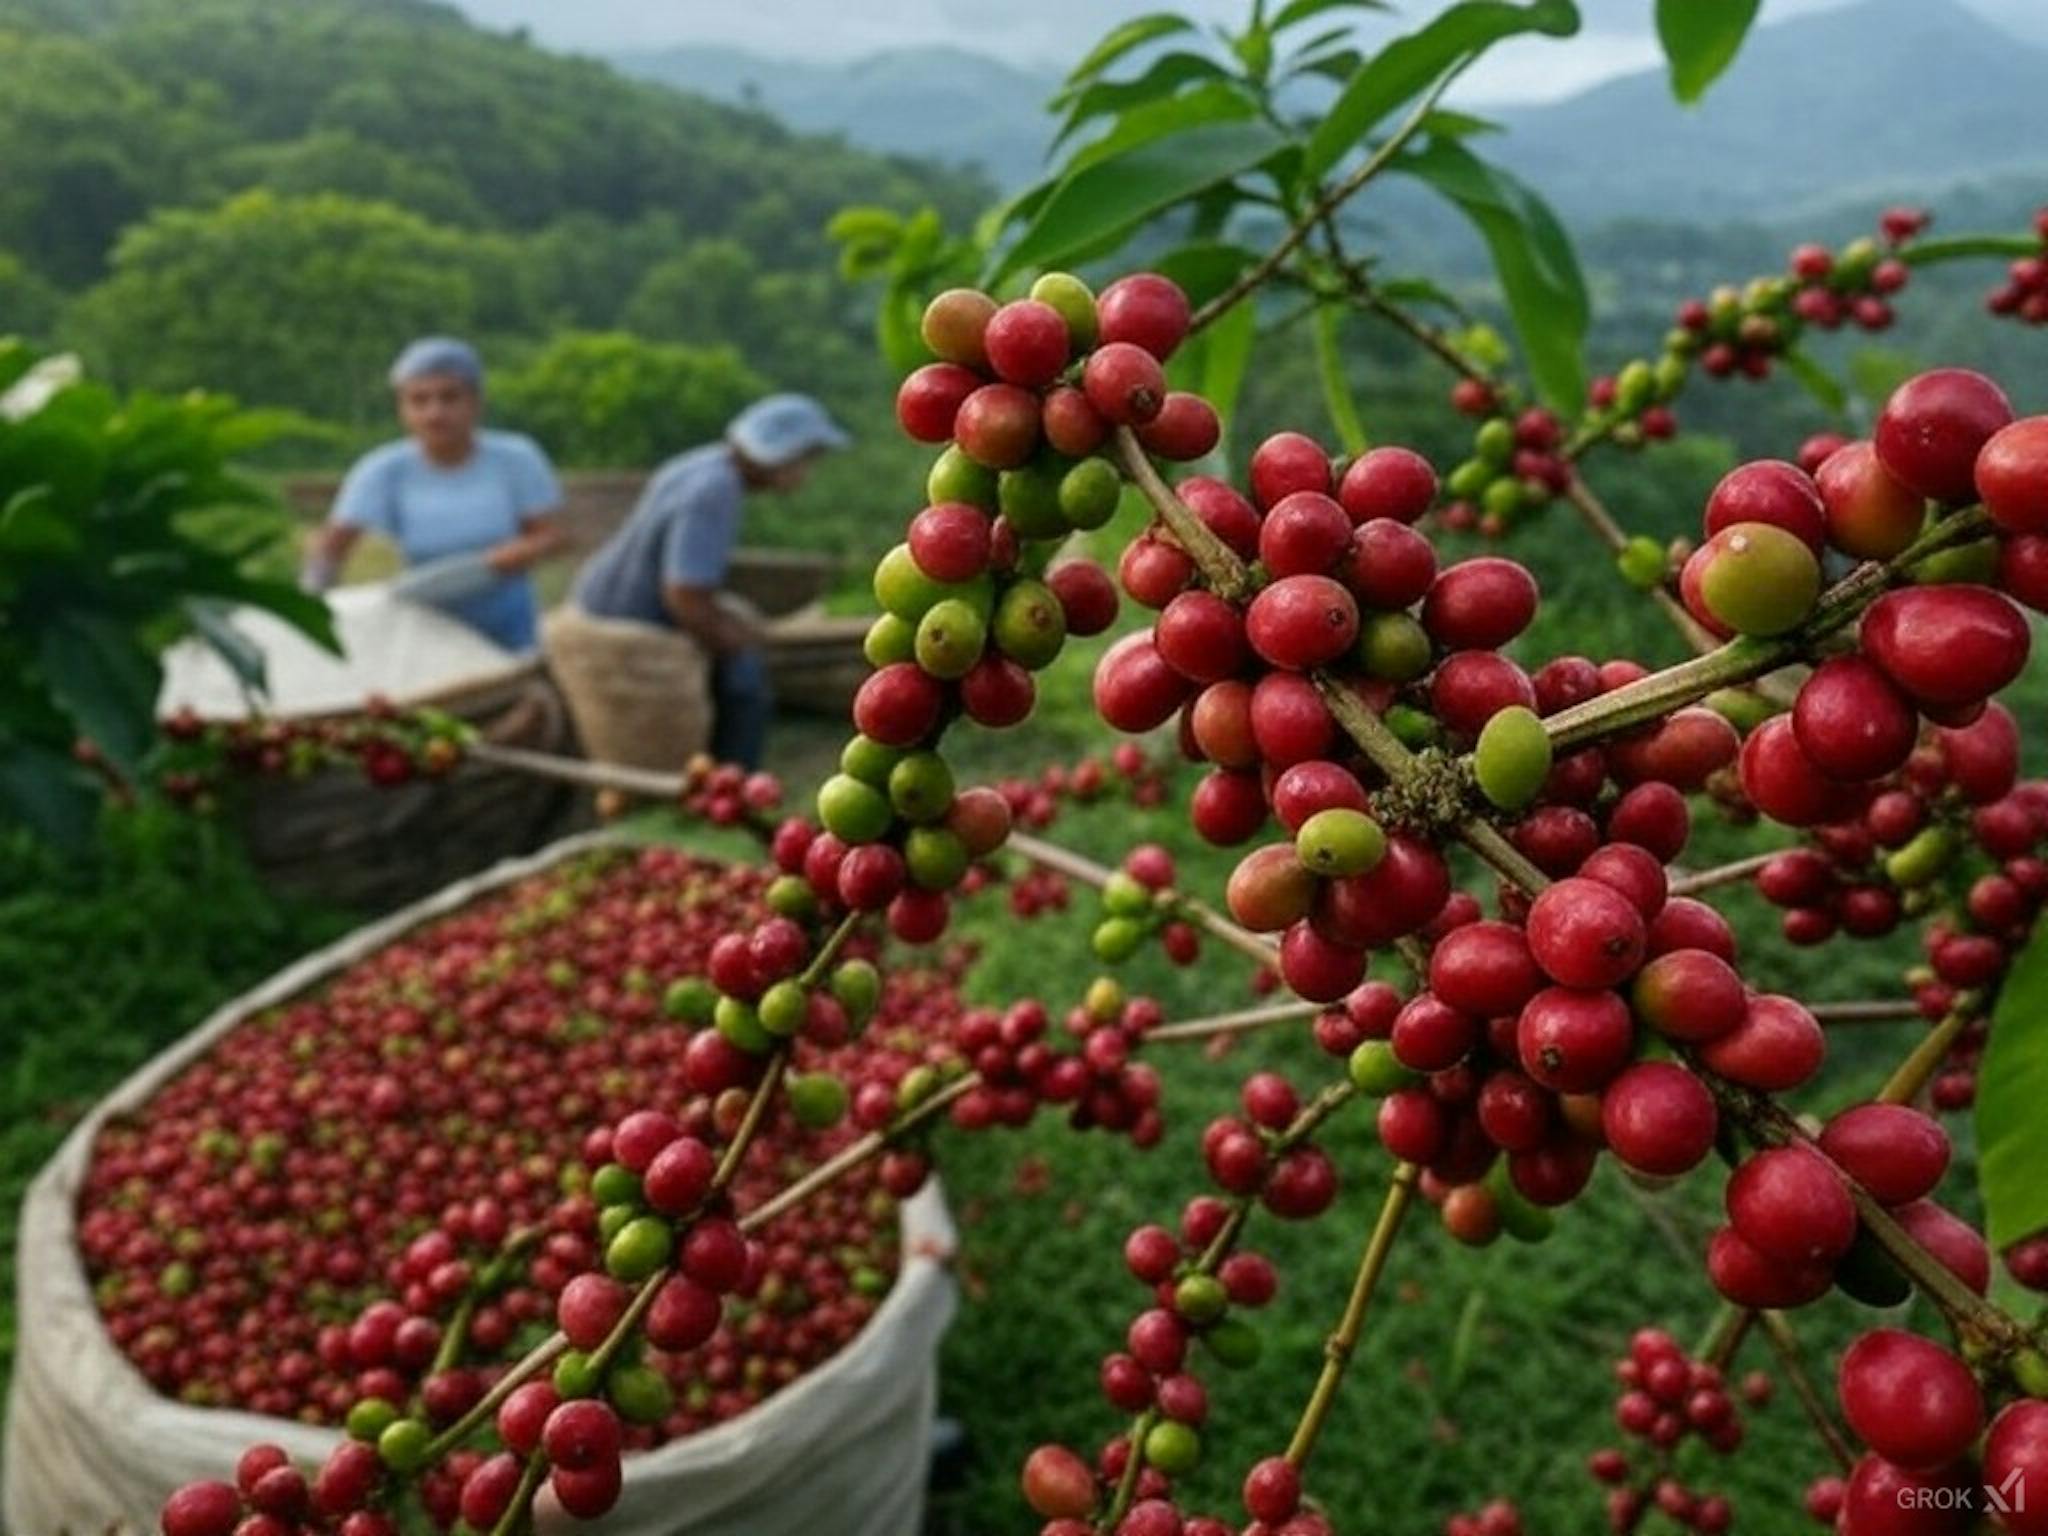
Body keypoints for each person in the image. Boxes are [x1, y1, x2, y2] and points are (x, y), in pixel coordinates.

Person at [547, 394, 849, 771]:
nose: (805, 472)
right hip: (628, 617)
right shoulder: (714, 493)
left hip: (600, 592)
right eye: (805, 460)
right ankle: (732, 778)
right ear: (780, 455)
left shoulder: (703, 463)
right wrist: (734, 644)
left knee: (740, 627)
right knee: (746, 681)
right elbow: (685, 597)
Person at [302, 338, 564, 652]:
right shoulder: (382, 470)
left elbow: (549, 535)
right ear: (402, 408)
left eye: (449, 398)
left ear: (476, 402)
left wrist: (497, 561)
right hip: (424, 628)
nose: (435, 413)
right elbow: (330, 551)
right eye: (419, 400)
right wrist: (308, 616)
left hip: (510, 631)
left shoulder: (516, 458)